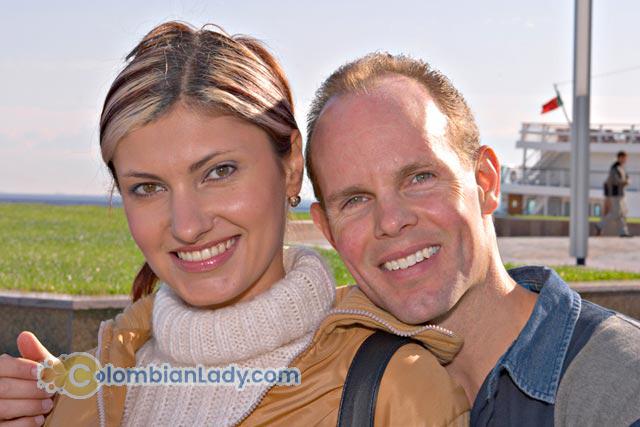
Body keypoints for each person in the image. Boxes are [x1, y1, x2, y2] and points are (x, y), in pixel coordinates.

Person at [0, 23, 469, 426]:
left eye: (219, 172)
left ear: (291, 166)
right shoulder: (82, 395)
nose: (187, 226)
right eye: (148, 187)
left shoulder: (396, 390)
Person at [305, 53, 640, 426]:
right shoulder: (318, 390)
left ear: (486, 181)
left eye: (420, 178)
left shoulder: (620, 388)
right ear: (328, 230)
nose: (392, 221)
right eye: (355, 200)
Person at [597, 151, 632, 237]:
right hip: (615, 194)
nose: (625, 160)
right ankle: (599, 225)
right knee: (616, 213)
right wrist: (626, 182)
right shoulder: (614, 168)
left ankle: (623, 232)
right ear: (619, 158)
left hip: (620, 194)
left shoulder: (621, 168)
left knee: (621, 213)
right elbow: (616, 181)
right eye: (623, 158)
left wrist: (627, 180)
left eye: (625, 158)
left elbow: (626, 177)